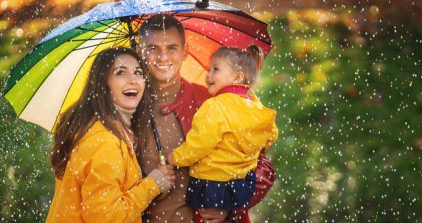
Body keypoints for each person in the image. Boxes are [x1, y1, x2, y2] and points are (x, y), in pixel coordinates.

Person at [135, 15, 276, 223]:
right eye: (153, 48)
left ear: (185, 51)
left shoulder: (216, 101)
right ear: (140, 52)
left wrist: (229, 205)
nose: (163, 57)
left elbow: (263, 168)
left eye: (172, 48)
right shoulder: (128, 109)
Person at [46, 47, 175, 223]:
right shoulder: (104, 142)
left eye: (138, 73)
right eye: (120, 72)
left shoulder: (108, 130)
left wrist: (155, 184)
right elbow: (107, 218)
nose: (133, 80)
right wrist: (152, 185)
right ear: (103, 83)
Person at [167, 45, 278, 222]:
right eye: (209, 69)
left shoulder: (214, 106)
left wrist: (176, 158)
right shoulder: (255, 104)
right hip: (243, 183)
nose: (208, 75)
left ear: (237, 77)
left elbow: (199, 144)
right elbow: (271, 135)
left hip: (211, 184)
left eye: (215, 69)